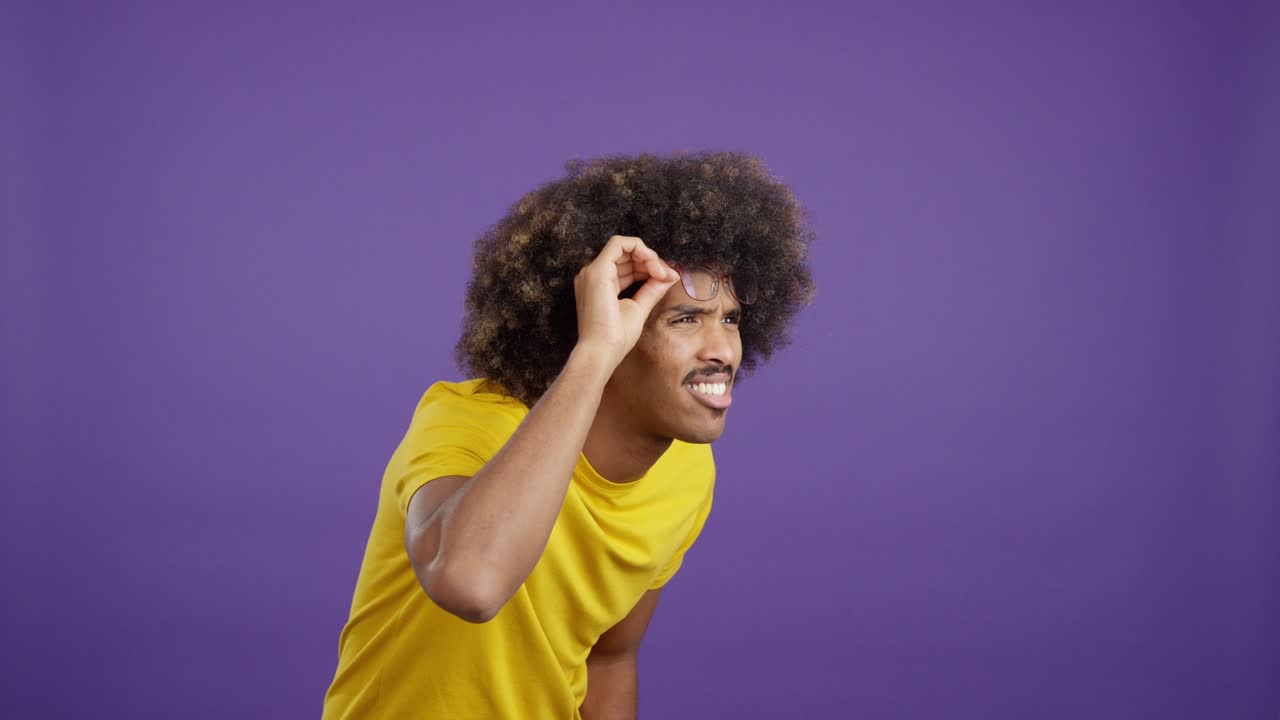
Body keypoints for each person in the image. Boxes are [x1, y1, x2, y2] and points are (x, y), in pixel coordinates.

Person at [322, 150, 816, 719]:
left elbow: (610, 659)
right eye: (685, 320)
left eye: (729, 319)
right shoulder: (471, 420)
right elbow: (469, 585)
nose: (723, 352)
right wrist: (594, 354)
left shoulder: (686, 473)